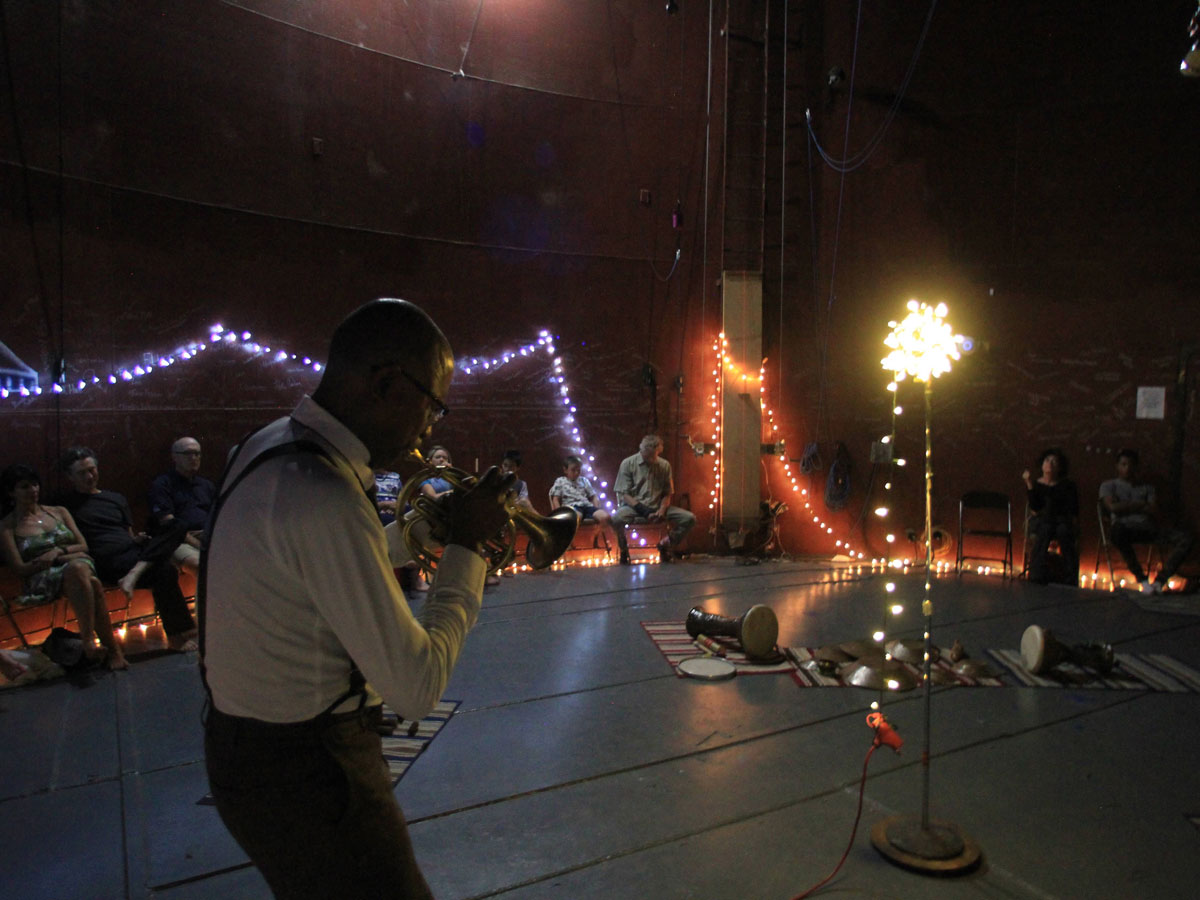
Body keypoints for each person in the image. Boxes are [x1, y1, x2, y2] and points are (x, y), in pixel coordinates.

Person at [201, 298, 513, 900]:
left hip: (247, 755)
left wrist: (430, 530)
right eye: (434, 405)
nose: (432, 427)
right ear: (388, 384)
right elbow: (416, 688)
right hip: (315, 774)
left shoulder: (269, 446)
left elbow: (320, 568)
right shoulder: (324, 496)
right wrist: (469, 548)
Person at [59, 447, 198, 652]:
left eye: (92, 470)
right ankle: (180, 635)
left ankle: (134, 573)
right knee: (164, 570)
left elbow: (127, 533)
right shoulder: (65, 505)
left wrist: (139, 539)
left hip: (132, 551)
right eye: (82, 473)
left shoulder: (115, 498)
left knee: (175, 526)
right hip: (106, 558)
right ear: (70, 477)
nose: (90, 476)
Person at [0, 464, 127, 669]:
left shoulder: (58, 512)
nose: (33, 490)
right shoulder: (7, 526)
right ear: (10, 492)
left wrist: (58, 553)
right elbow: (20, 568)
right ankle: (112, 651)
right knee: (92, 583)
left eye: (34, 485)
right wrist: (48, 562)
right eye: (24, 487)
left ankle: (88, 643)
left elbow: (83, 546)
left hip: (73, 564)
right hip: (41, 576)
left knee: (78, 569)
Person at [1099, 448, 1194, 594]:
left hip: (1148, 528)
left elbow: (1154, 510)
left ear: (1136, 467)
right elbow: (1112, 507)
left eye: (1131, 465)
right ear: (1117, 466)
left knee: (1186, 538)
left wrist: (1125, 506)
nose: (1127, 468)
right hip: (1124, 529)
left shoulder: (1147, 488)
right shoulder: (1109, 486)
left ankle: (1160, 580)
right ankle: (1141, 578)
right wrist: (1140, 505)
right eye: (1123, 464)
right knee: (1117, 533)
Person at [612, 434, 695, 564]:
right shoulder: (628, 463)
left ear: (658, 452)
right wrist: (644, 510)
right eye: (647, 456)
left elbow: (667, 493)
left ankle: (665, 544)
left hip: (657, 506)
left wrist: (662, 509)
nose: (650, 459)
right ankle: (623, 549)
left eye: (653, 456)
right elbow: (624, 494)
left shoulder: (664, 465)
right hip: (634, 507)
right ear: (642, 450)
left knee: (689, 518)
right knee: (616, 519)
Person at [147, 436, 215, 572]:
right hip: (180, 540)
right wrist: (198, 544)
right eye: (188, 453)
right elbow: (168, 524)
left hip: (209, 537)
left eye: (197, 453)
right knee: (201, 566)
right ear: (175, 457)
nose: (194, 458)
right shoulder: (163, 484)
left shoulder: (206, 485)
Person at [1021, 447, 1079, 585]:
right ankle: (1036, 573)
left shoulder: (1067, 485)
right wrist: (1029, 484)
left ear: (1060, 467)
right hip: (1042, 520)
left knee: (1064, 531)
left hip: (1061, 520)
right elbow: (1035, 507)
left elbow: (1072, 507)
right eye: (1047, 460)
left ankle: (1070, 576)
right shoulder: (1036, 484)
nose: (1050, 464)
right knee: (1045, 529)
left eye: (1054, 461)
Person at [549, 454, 611, 531]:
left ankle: (596, 535)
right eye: (573, 470)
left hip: (587, 506)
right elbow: (555, 499)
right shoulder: (560, 481)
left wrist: (596, 508)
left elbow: (593, 496)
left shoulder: (584, 480)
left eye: (578, 470)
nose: (576, 473)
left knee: (605, 517)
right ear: (565, 470)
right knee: (576, 518)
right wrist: (559, 514)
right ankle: (568, 540)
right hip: (573, 507)